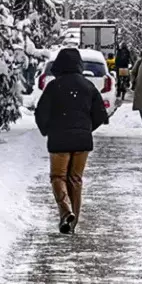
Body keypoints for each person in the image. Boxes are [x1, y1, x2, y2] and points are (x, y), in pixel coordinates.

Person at [34, 48, 109, 234]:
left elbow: (41, 112)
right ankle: (72, 222)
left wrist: (47, 129)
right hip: (82, 141)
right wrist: (86, 129)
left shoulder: (54, 87)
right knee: (75, 179)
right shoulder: (88, 86)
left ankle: (66, 210)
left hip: (59, 139)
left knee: (58, 177)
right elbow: (100, 114)